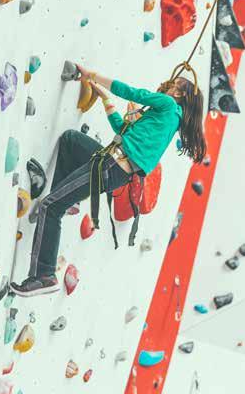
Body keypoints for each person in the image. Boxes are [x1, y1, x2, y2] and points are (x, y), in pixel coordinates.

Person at [11, 64, 205, 297]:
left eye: (173, 86)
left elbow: (133, 92)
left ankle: (44, 276)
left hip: (110, 166)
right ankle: (66, 200)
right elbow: (121, 129)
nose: (169, 87)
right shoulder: (164, 120)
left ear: (178, 94)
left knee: (49, 207)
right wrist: (105, 99)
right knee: (71, 140)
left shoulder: (169, 105)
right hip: (113, 165)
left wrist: (91, 75)